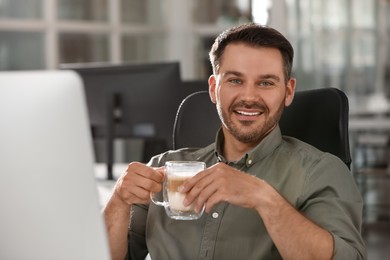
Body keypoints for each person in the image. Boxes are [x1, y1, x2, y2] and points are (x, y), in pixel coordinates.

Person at [103, 23, 366, 260]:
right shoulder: (162, 169)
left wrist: (263, 198)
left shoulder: (321, 171)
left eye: (265, 83)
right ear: (213, 88)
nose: (249, 97)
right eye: (235, 80)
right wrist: (117, 201)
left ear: (288, 92)